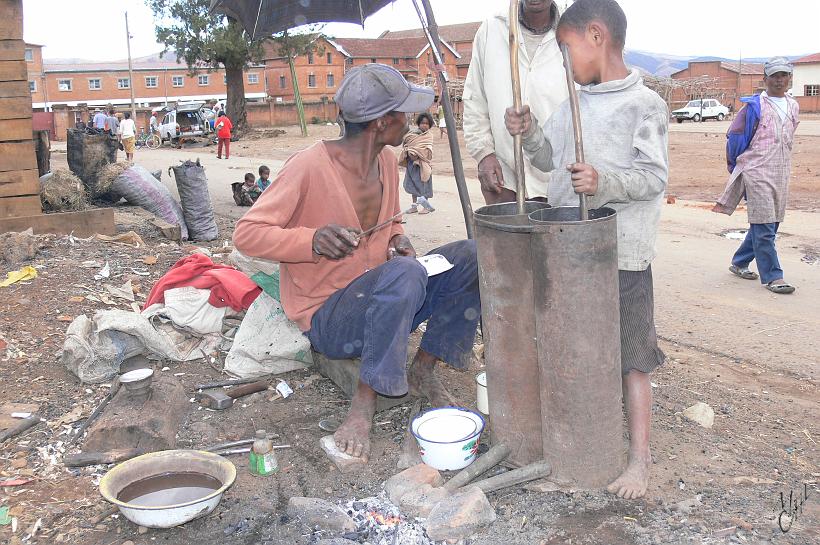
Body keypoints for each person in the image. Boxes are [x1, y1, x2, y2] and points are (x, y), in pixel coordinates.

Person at [233, 64, 481, 462]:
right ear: (383, 122)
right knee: (404, 275)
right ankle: (363, 407)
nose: (411, 121)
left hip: (387, 298)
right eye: (403, 113)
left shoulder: (384, 160)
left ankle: (424, 368)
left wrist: (398, 237)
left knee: (470, 255)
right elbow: (246, 234)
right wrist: (311, 239)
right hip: (331, 320)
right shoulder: (308, 166)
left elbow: (393, 220)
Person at [505, 0, 668, 499]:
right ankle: (571, 443)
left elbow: (654, 178)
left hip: (621, 258)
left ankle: (638, 461)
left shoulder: (645, 105)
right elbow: (549, 158)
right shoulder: (575, 103)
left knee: (631, 356)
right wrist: (529, 132)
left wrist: (603, 182)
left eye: (566, 48)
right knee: (568, 349)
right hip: (566, 253)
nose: (565, 60)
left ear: (596, 37)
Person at [464, 0, 569, 205]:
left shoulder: (574, 28)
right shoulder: (491, 30)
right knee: (505, 236)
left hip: (559, 179)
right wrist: (484, 154)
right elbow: (475, 98)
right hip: (503, 176)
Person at [712, 57, 799, 295]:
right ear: (765, 79)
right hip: (756, 171)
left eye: (783, 75)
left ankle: (739, 261)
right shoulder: (753, 107)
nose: (779, 80)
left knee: (771, 222)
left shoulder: (793, 105)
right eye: (774, 76)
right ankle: (773, 276)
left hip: (781, 171)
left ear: (789, 78)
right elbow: (735, 139)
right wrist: (737, 167)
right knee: (764, 225)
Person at [400, 112, 435, 215]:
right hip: (412, 164)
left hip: (423, 165)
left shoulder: (428, 136)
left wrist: (417, 153)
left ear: (430, 125)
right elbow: (406, 144)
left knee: (424, 185)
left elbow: (428, 151)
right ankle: (414, 206)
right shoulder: (412, 135)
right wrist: (410, 152)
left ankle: (426, 207)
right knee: (412, 184)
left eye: (427, 123)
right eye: (423, 123)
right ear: (418, 124)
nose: (424, 125)